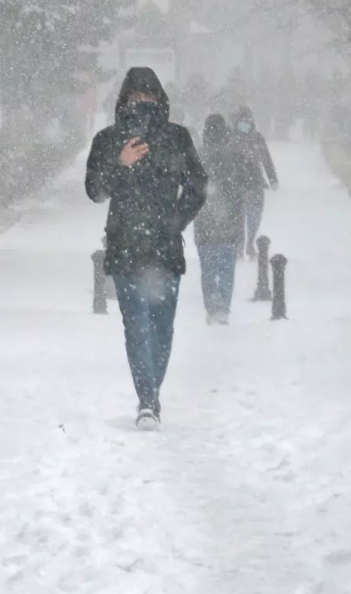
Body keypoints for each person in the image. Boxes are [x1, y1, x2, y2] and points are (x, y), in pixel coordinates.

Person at [86, 67, 207, 430]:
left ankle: (151, 394)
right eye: (134, 97)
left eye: (149, 97)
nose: (142, 103)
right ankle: (148, 401)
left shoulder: (176, 138)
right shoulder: (107, 140)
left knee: (162, 328)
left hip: (165, 251)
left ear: (160, 99)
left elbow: (198, 187)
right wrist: (119, 164)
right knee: (136, 326)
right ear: (123, 100)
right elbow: (95, 190)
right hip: (125, 248)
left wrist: (175, 221)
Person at [195, 115, 253, 325]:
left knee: (208, 268)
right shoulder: (234, 156)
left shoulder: (198, 156)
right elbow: (244, 185)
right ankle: (224, 307)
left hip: (204, 222)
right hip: (230, 222)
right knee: (227, 268)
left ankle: (211, 306)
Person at [231, 106, 278, 260]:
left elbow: (266, 158)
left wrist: (272, 178)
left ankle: (250, 242)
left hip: (255, 182)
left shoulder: (257, 138)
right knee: (237, 216)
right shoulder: (231, 137)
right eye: (242, 120)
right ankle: (238, 246)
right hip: (236, 182)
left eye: (247, 120)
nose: (244, 123)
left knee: (254, 215)